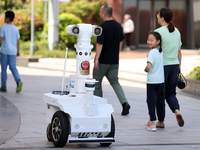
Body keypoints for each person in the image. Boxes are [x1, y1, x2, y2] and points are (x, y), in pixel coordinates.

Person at [93, 5, 131, 116]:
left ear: (104, 14)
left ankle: (98, 106)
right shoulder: (118, 26)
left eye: (100, 12)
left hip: (103, 61)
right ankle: (125, 103)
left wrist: (96, 59)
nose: (100, 14)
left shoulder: (102, 27)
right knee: (115, 82)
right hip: (114, 61)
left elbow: (100, 44)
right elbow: (120, 42)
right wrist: (116, 54)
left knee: (97, 83)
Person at [155, 8, 184, 127]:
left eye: (158, 14)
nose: (157, 16)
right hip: (174, 65)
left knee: (160, 94)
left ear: (162, 18)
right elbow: (179, 51)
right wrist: (179, 67)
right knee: (171, 93)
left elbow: (155, 52)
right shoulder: (176, 31)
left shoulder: (157, 32)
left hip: (163, 67)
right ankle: (177, 111)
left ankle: (161, 121)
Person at [144, 31, 165, 132]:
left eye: (152, 40)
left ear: (158, 41)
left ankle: (152, 123)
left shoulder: (151, 53)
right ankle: (152, 121)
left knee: (150, 101)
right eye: (148, 40)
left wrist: (146, 69)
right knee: (158, 101)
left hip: (152, 81)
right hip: (160, 81)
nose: (149, 42)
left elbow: (149, 66)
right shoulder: (160, 51)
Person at [0, 11, 23, 93]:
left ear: (8, 18)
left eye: (5, 17)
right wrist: (18, 51)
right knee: (13, 68)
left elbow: (1, 39)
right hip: (13, 52)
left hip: (4, 51)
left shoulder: (3, 28)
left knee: (3, 69)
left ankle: (3, 86)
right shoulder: (15, 29)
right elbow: (18, 41)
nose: (4, 18)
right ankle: (18, 81)